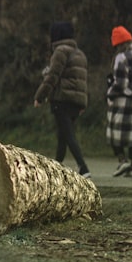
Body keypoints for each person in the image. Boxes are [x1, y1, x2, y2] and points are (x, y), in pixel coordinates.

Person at [34, 21, 90, 178]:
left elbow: (52, 77)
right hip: (76, 101)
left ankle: (83, 168)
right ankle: (56, 167)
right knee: (63, 136)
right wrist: (84, 102)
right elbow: (83, 80)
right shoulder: (80, 53)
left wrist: (40, 96)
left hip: (62, 99)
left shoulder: (60, 52)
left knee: (68, 134)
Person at [105, 25, 132, 176]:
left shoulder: (121, 57)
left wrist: (109, 93)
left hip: (123, 102)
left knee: (114, 134)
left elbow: (120, 84)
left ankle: (123, 161)